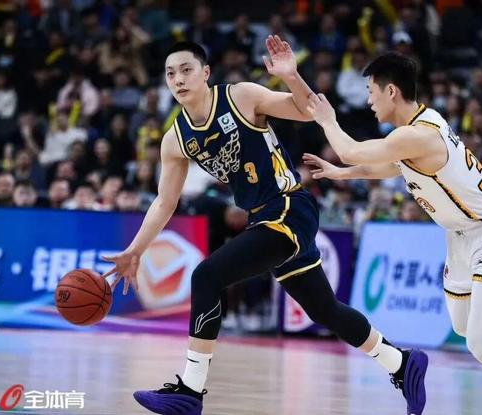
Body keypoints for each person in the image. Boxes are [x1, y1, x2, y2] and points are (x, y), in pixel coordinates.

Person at [102, 39, 428, 415]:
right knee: (325, 310)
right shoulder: (175, 140)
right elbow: (164, 202)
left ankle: (190, 390)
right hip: (263, 218)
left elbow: (307, 110)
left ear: (206, 73)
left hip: (288, 206)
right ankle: (402, 363)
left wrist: (290, 76)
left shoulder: (240, 97)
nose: (178, 79)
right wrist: (135, 251)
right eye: (171, 73)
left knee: (206, 277)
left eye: (186, 70)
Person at [303, 52, 482, 415]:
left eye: (371, 91)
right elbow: (391, 166)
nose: (368, 100)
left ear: (391, 91)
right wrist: (340, 174)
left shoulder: (417, 135)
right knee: (465, 326)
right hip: (461, 236)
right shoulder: (420, 125)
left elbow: (351, 150)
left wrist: (327, 120)